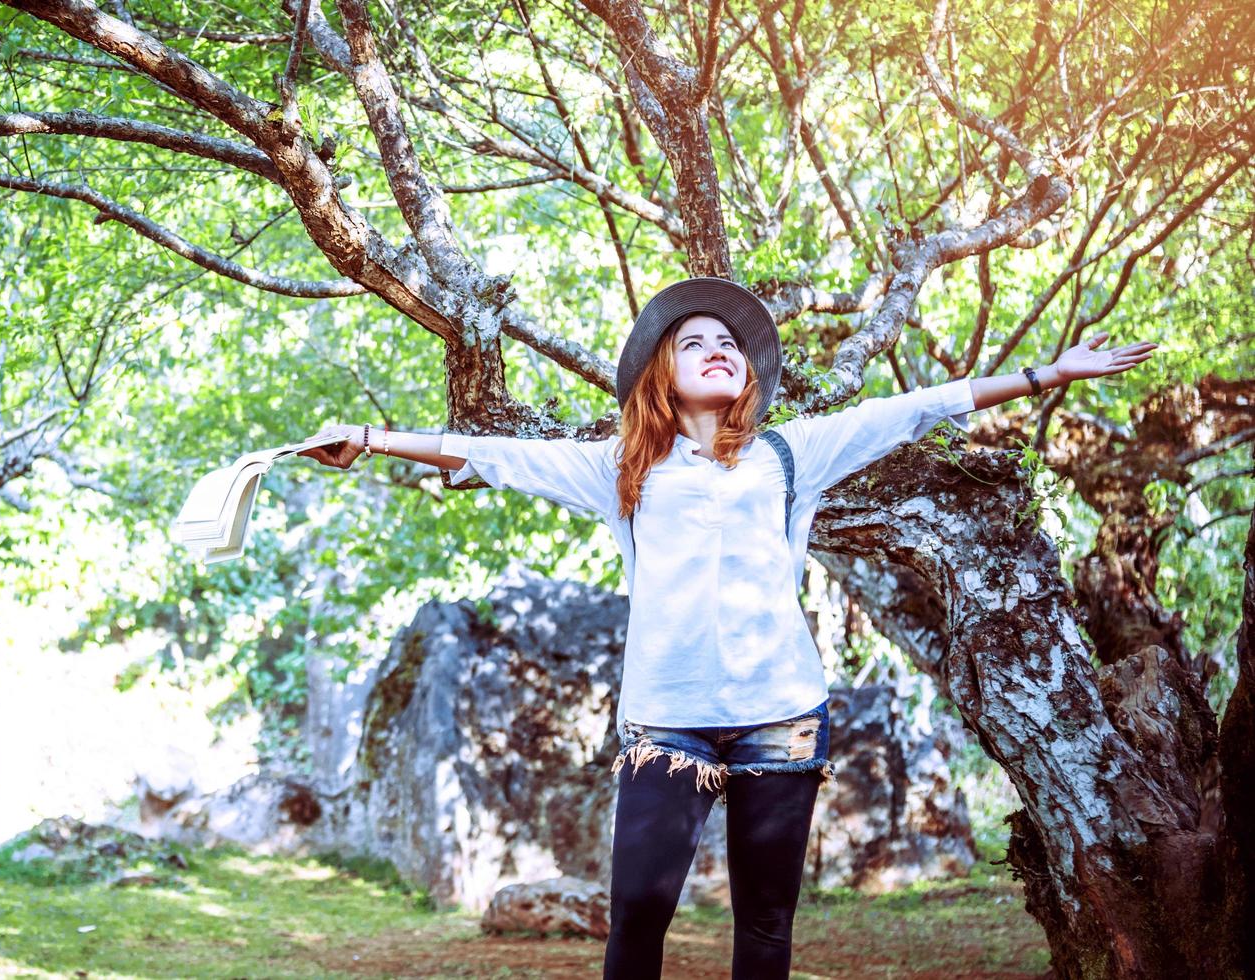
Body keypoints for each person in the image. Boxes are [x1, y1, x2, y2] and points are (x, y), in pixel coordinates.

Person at [297, 277, 1158, 979]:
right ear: (662, 375)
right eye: (694, 342)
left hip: (781, 717)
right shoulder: (620, 468)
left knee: (767, 924)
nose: (718, 351)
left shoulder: (793, 453)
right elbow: (487, 453)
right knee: (637, 910)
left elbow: (919, 407)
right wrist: (369, 438)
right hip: (667, 718)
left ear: (748, 377)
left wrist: (1052, 374)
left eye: (729, 345)